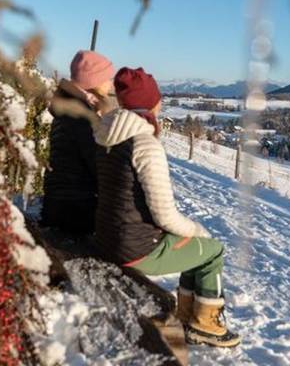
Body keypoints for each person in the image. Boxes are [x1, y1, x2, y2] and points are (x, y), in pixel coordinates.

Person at [93, 67, 241, 348]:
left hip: (108, 238)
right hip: (135, 248)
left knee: (191, 245)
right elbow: (164, 214)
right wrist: (199, 230)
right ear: (149, 104)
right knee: (211, 251)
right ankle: (205, 323)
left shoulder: (105, 136)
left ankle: (187, 317)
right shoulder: (144, 144)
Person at [42, 50, 114, 237]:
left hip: (61, 203)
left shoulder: (73, 107)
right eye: (108, 78)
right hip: (76, 210)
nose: (111, 83)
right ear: (94, 82)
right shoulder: (81, 115)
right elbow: (97, 163)